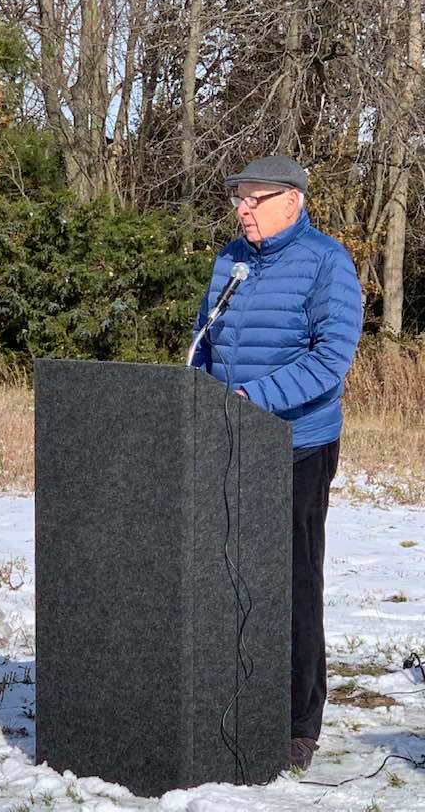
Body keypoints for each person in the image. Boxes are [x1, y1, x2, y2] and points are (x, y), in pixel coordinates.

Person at [191, 156, 362, 772]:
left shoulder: (327, 263)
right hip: (226, 442)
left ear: (292, 200)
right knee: (224, 572)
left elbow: (329, 360)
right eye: (238, 197)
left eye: (255, 198)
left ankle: (298, 720)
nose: (243, 209)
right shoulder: (230, 261)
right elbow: (204, 341)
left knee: (291, 580)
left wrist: (251, 401)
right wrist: (194, 395)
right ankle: (228, 696)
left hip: (298, 446)